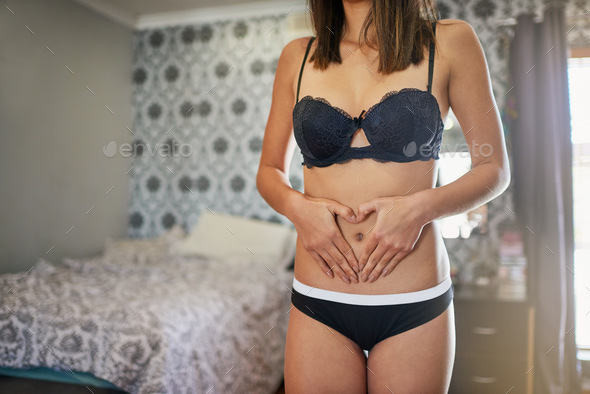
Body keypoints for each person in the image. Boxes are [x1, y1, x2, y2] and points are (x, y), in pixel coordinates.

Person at [256, 0, 510, 392]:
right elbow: (269, 171)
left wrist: (419, 209)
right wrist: (299, 210)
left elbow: (493, 168)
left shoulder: (450, 41)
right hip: (318, 297)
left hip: (413, 301)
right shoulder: (298, 55)